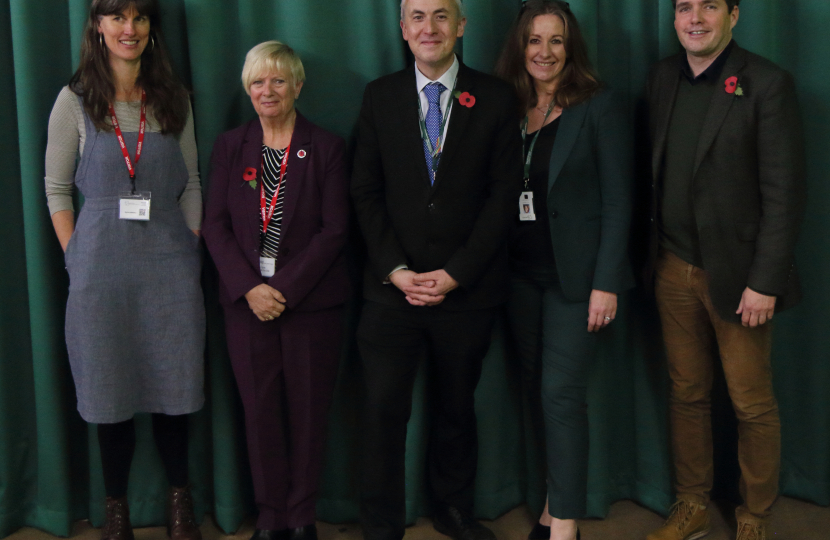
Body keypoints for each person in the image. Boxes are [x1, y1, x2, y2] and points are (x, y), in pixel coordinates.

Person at [350, 1, 523, 539]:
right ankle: (381, 522)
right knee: (381, 413)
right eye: (418, 16)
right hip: (390, 292)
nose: (430, 27)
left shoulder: (494, 97)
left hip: (465, 292)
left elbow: (503, 197)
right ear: (403, 30)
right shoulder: (379, 96)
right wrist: (395, 269)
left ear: (461, 26)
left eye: (442, 15)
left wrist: (456, 273)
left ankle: (453, 509)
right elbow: (364, 190)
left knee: (456, 409)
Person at [644, 1, 806, 539]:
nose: (695, 17)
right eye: (684, 7)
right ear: (673, 19)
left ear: (733, 15)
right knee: (686, 393)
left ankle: (754, 512)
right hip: (672, 266)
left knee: (751, 402)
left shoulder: (766, 82)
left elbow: (784, 195)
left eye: (709, 5)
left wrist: (766, 280)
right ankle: (690, 503)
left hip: (739, 278)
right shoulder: (663, 77)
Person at [44, 0, 205, 539]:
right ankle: (116, 512)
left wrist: (190, 242)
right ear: (97, 26)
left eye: (138, 17)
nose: (128, 29)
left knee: (174, 386)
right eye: (116, 16)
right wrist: (74, 256)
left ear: (150, 28)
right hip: (99, 269)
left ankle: (181, 504)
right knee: (107, 388)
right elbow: (56, 188)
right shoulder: (73, 101)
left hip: (169, 266)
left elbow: (193, 182)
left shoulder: (175, 97)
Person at [494, 2, 634, 540]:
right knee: (535, 389)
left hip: (577, 282)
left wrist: (606, 282)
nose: (544, 52)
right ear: (520, 47)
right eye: (534, 40)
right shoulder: (507, 108)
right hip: (518, 278)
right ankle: (553, 503)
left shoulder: (599, 107)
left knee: (560, 394)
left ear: (570, 47)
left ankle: (565, 524)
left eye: (555, 41)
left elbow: (620, 202)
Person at [202, 41, 350, 540]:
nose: (268, 90)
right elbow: (214, 225)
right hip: (246, 307)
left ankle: (302, 514)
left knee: (309, 413)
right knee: (260, 412)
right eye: (259, 81)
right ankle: (270, 516)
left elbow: (335, 229)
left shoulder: (327, 147)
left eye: (279, 80)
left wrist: (280, 289)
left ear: (298, 87)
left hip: (310, 306)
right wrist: (250, 289)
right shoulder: (229, 147)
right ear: (248, 89)